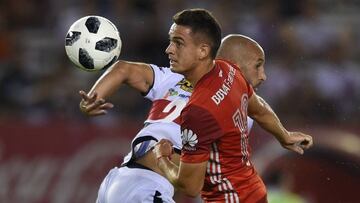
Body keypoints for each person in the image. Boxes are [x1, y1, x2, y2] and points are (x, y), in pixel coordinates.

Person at [78, 23, 266, 203]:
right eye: (258, 66)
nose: (263, 76)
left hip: (119, 181)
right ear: (235, 66)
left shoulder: (175, 77)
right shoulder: (239, 113)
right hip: (147, 187)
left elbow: (123, 69)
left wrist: (93, 98)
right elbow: (198, 182)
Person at [152, 8, 313, 203]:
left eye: (178, 43)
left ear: (203, 50)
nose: (169, 49)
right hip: (253, 190)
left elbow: (190, 186)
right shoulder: (229, 71)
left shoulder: (198, 111)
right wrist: (284, 136)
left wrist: (161, 159)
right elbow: (259, 108)